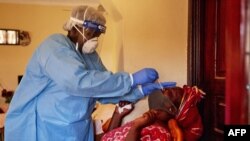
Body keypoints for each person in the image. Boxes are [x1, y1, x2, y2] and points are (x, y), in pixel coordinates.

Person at [4, 5, 176, 141]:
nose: (94, 39)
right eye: (90, 33)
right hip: (43, 129)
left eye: (98, 35)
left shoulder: (90, 56)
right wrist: (131, 79)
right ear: (74, 27)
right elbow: (77, 82)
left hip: (76, 130)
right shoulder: (54, 46)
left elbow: (103, 89)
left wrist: (139, 91)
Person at [100, 85, 205, 141]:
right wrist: (118, 114)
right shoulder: (150, 120)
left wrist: (135, 127)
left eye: (169, 92)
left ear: (171, 110)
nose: (162, 89)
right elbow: (111, 136)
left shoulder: (161, 134)